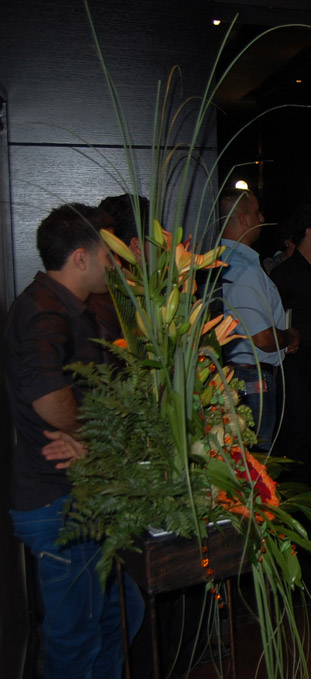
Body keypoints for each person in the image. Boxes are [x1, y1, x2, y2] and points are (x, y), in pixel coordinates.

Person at [5, 203, 143, 678]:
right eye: (110, 254)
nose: (116, 264)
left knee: (119, 616)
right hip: (57, 501)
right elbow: (46, 393)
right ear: (81, 258)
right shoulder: (43, 311)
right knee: (76, 644)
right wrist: (92, 438)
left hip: (76, 497)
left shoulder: (67, 307)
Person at [219, 189, 299, 449]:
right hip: (252, 379)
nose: (262, 218)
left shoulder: (223, 260)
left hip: (243, 375)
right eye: (256, 212)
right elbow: (263, 338)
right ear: (244, 219)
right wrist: (288, 337)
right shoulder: (243, 270)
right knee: (256, 457)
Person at [269, 204, 311, 482]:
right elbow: (272, 318)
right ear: (310, 233)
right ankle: (295, 488)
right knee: (296, 429)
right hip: (296, 364)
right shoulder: (283, 274)